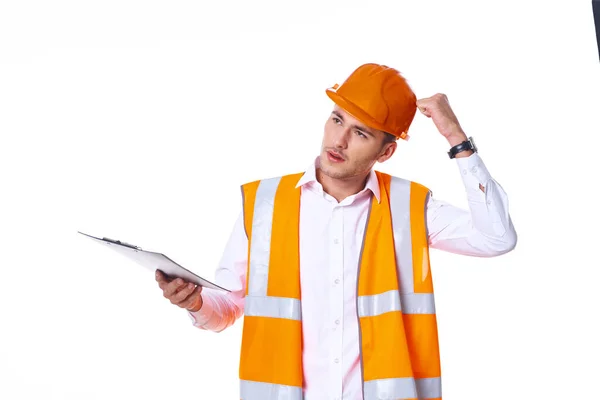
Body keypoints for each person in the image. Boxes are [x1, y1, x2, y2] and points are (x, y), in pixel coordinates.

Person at [155, 63, 517, 400]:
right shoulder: (265, 203)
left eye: (359, 132)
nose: (339, 141)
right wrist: (196, 302)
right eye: (336, 119)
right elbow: (229, 306)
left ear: (386, 152)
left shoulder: (409, 207)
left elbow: (497, 237)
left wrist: (456, 137)